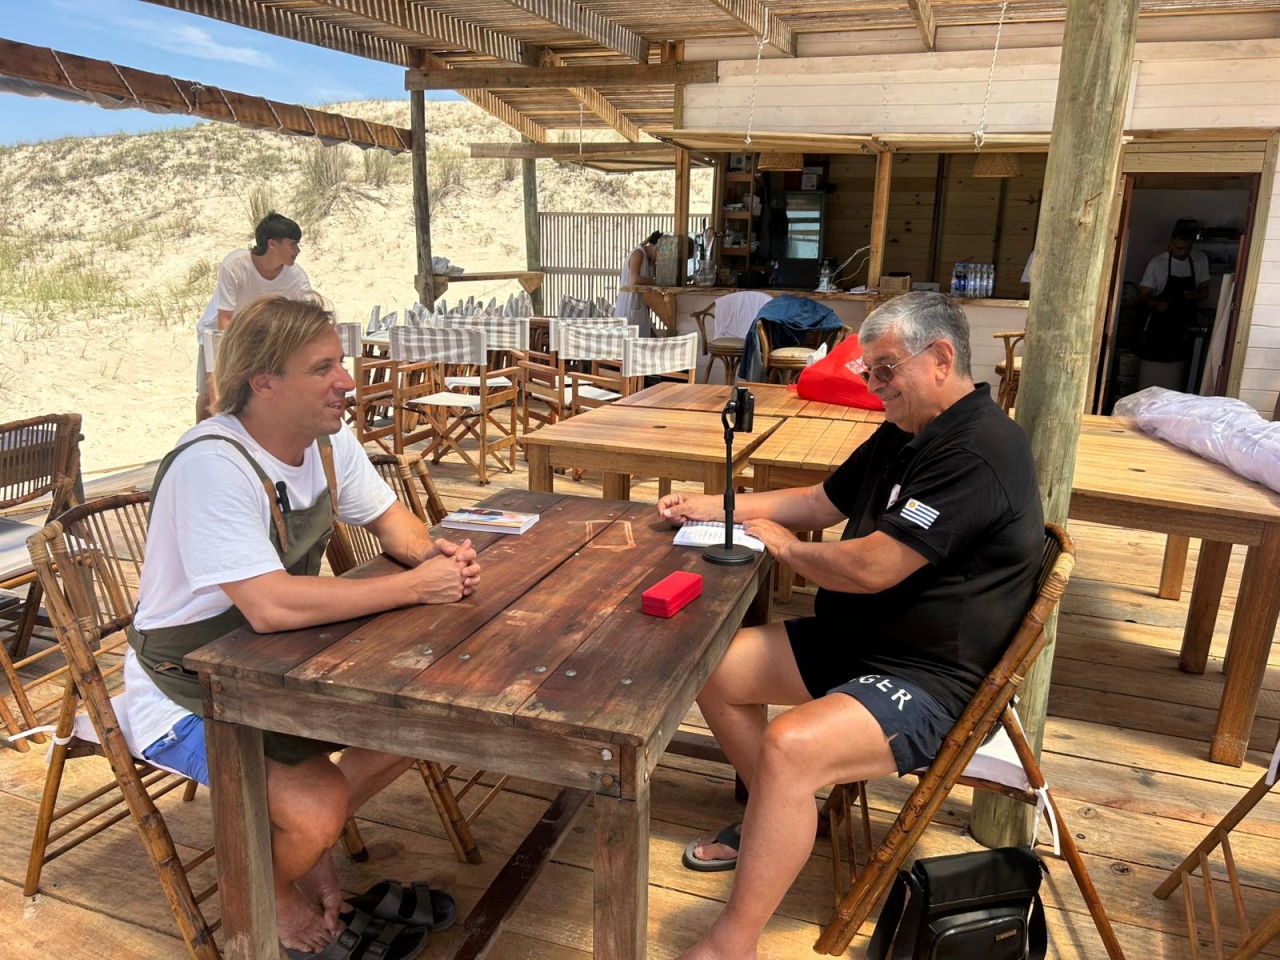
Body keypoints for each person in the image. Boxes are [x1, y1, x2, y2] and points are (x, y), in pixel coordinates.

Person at [657, 291, 1044, 960]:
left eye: (885, 368)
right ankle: (779, 816)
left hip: (930, 677)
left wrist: (786, 549)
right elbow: (818, 501)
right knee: (711, 668)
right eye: (869, 369)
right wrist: (715, 505)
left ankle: (732, 942)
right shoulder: (908, 429)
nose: (874, 383)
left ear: (941, 358)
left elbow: (870, 568)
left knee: (790, 747)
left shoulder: (979, 450)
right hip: (862, 642)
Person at [125, 294, 480, 958]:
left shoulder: (325, 440)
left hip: (278, 659)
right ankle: (265, 895)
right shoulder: (213, 464)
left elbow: (391, 521)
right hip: (182, 683)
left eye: (340, 363)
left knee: (430, 719)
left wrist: (435, 557)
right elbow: (270, 605)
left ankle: (305, 858)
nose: (346, 381)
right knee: (317, 806)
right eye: (323, 368)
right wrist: (412, 587)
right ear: (264, 380)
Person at [195, 212, 313, 422]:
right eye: (293, 244)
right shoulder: (235, 265)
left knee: (254, 394)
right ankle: (201, 438)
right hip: (218, 332)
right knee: (211, 394)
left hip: (259, 337)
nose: (297, 251)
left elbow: (305, 318)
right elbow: (225, 318)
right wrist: (232, 356)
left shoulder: (296, 277)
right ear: (272, 244)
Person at [1136, 225, 1210, 374]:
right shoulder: (1157, 264)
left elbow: (1205, 292)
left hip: (1186, 325)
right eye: (1179, 248)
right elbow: (1142, 297)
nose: (1183, 252)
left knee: (1183, 370)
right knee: (1157, 369)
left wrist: (1195, 295)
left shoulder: (1199, 260)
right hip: (1161, 327)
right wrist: (1157, 304)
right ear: (1170, 244)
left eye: (1187, 248)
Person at [615, 229, 661, 336]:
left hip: (638, 307)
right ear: (656, 248)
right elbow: (634, 280)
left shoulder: (648, 260)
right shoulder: (638, 254)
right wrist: (658, 282)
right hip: (629, 306)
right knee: (629, 344)